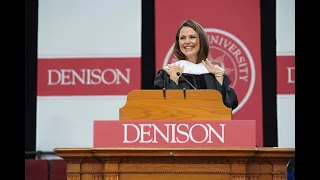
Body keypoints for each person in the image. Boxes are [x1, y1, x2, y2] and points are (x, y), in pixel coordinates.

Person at [153, 19, 238, 110]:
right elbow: (161, 109)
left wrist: (220, 80)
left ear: (201, 41)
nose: (187, 42)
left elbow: (226, 109)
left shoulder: (214, 74)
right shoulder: (167, 73)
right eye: (182, 38)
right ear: (178, 43)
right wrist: (173, 80)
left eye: (192, 37)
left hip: (209, 124)